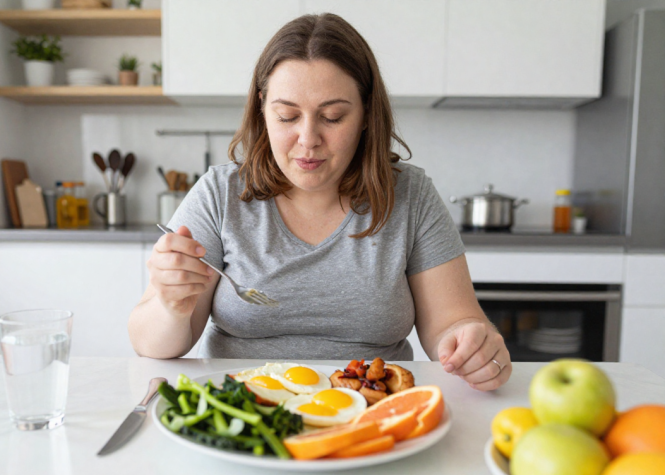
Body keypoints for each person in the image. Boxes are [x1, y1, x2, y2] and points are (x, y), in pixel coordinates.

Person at [128, 13, 512, 391]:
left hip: (369, 415)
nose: (308, 139)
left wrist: (472, 344)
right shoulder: (219, 193)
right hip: (246, 413)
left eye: (332, 117)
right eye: (287, 116)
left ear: (364, 114)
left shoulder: (411, 195)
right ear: (263, 111)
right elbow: (150, 344)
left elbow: (453, 321)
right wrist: (170, 305)